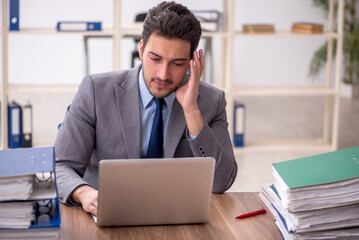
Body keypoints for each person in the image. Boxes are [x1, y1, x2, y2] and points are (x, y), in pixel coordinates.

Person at [55, 1, 237, 216]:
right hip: (108, 214)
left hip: (177, 215)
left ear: (192, 62)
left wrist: (191, 112)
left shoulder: (211, 101)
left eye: (177, 63)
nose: (163, 74)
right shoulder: (95, 91)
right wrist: (85, 193)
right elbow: (61, 166)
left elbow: (222, 181)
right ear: (141, 50)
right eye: (155, 59)